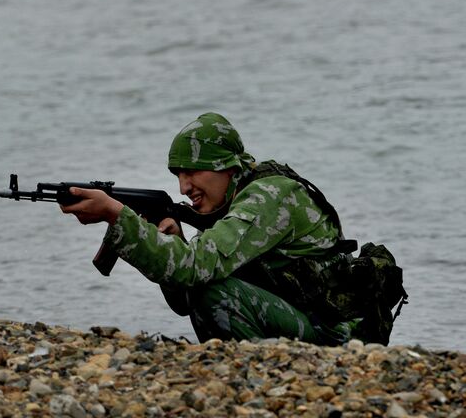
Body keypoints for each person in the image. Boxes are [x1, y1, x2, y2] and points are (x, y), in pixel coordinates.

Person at [60, 112, 405, 345]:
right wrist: (173, 240)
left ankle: (258, 373)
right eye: (178, 175)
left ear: (225, 166)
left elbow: (196, 270)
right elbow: (185, 300)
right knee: (207, 286)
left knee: (213, 290)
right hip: (304, 320)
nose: (184, 187)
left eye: (192, 171)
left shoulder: (269, 196)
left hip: (336, 333)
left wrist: (117, 216)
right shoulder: (233, 204)